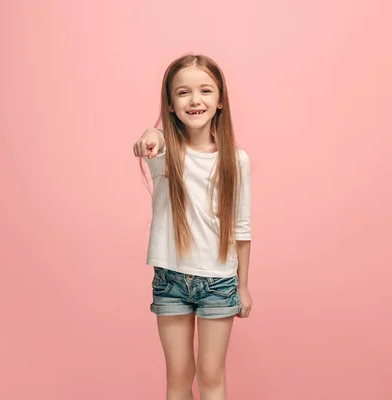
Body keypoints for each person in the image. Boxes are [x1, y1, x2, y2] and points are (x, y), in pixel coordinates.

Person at [132, 54, 252, 400]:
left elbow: (241, 230)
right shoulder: (163, 153)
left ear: (220, 100)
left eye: (205, 91)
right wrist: (150, 133)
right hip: (171, 278)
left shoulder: (236, 160)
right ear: (170, 103)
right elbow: (150, 138)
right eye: (183, 92)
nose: (195, 100)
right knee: (179, 375)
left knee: (211, 374)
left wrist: (243, 286)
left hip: (219, 280)